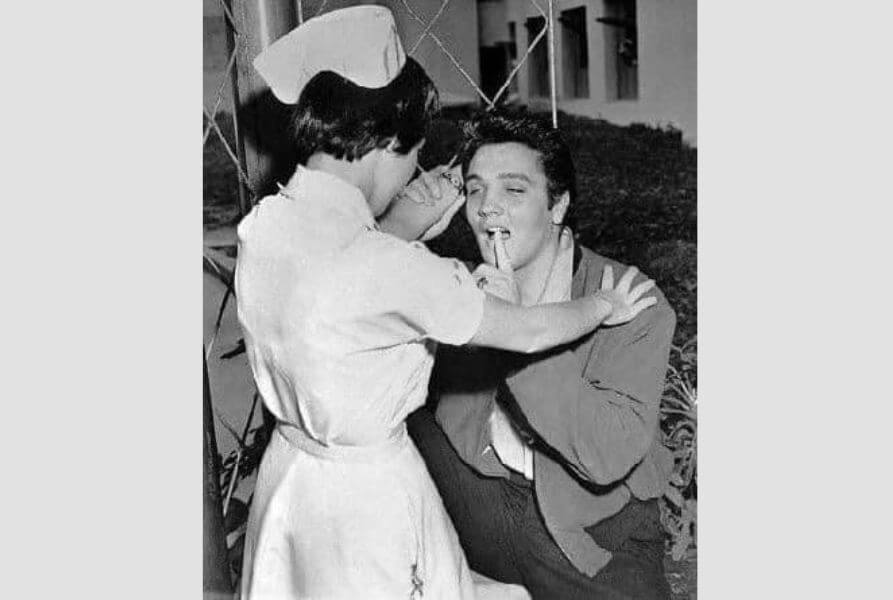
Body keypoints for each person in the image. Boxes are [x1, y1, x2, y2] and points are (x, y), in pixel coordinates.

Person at [235, 7, 657, 599]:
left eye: (514, 190)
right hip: (366, 507)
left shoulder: (269, 225)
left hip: (295, 484)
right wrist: (599, 309)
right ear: (385, 140)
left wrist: (402, 224)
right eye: (411, 155)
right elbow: (523, 331)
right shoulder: (396, 271)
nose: (413, 173)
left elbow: (334, 291)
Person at [408, 112, 677, 599]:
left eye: (514, 190)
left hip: (593, 536)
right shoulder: (462, 292)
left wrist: (516, 325)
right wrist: (403, 229)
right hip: (481, 507)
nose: (488, 208)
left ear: (558, 206)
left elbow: (604, 454)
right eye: (474, 190)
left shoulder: (630, 299)